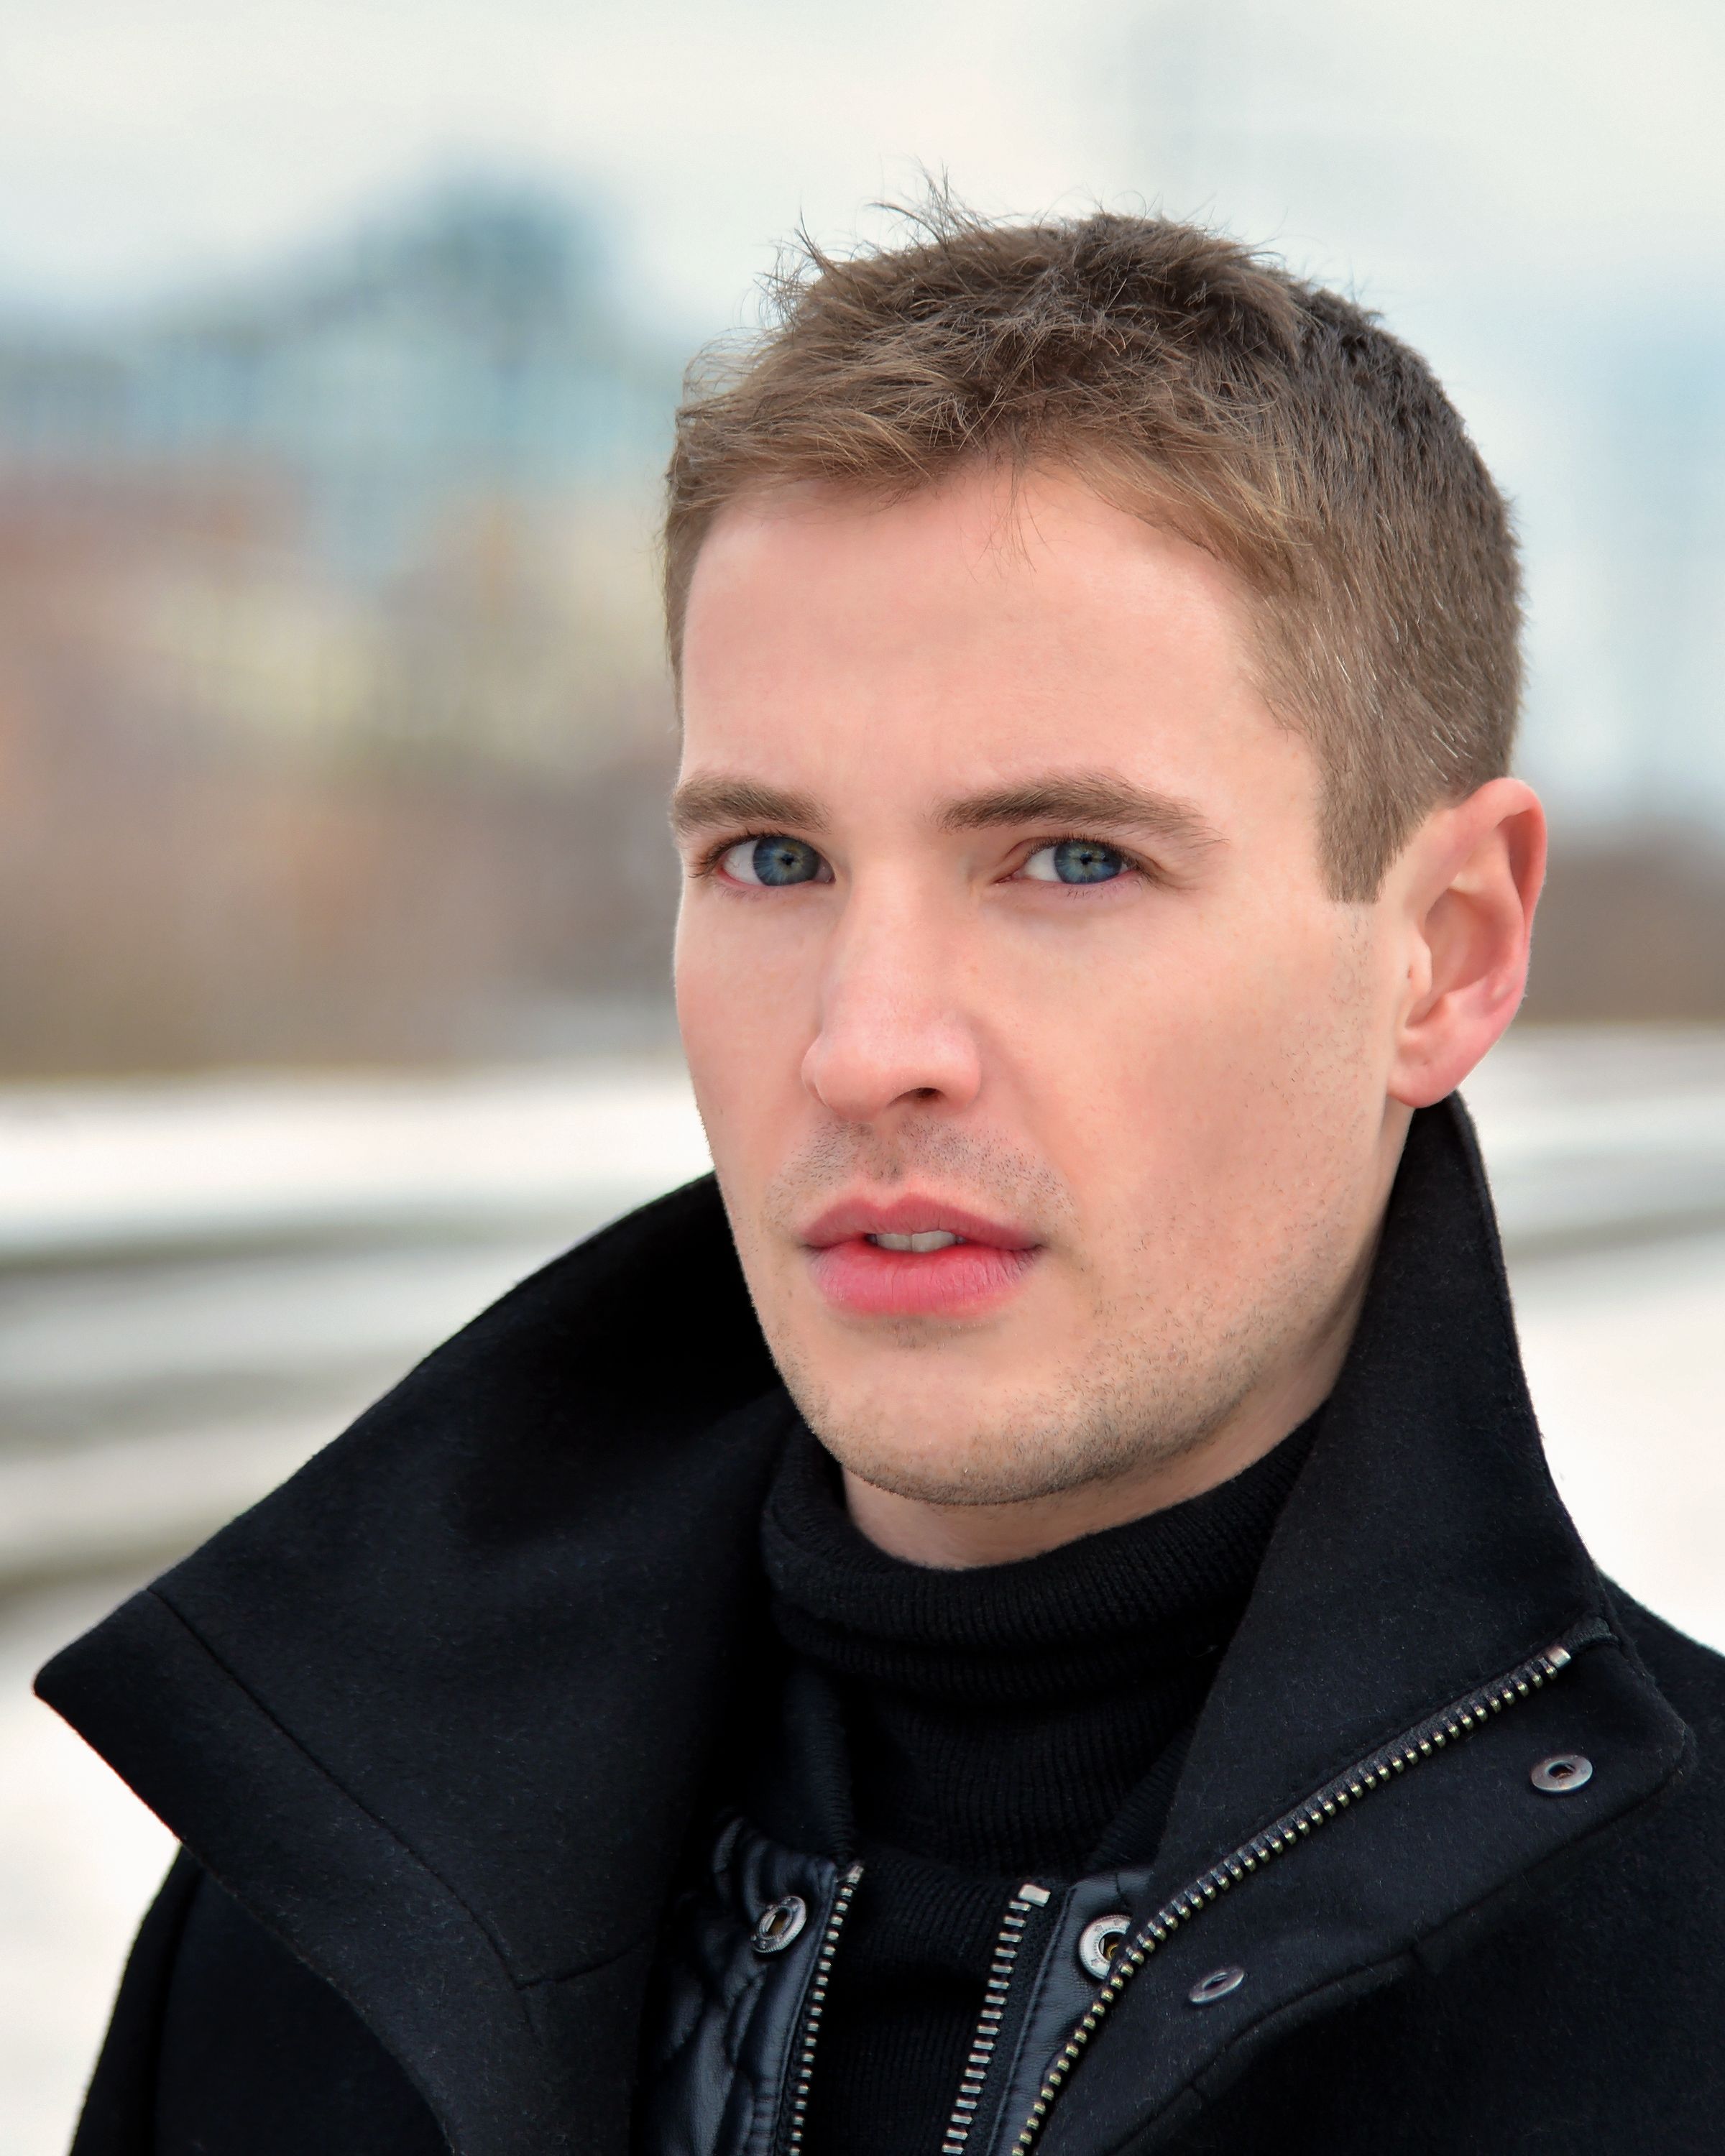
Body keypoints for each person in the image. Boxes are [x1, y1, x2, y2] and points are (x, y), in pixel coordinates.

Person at [39, 204, 1725, 2156]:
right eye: (774, 860)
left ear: (1445, 951)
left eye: (1071, 860)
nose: (863, 1043)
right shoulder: (327, 1911)